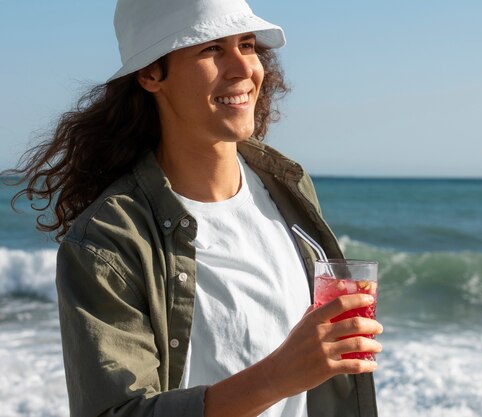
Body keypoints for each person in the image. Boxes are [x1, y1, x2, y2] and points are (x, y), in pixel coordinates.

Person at [7, 0, 382, 416]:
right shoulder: (107, 241)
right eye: (211, 49)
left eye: (247, 44)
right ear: (151, 73)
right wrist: (279, 375)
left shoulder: (288, 185)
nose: (243, 69)